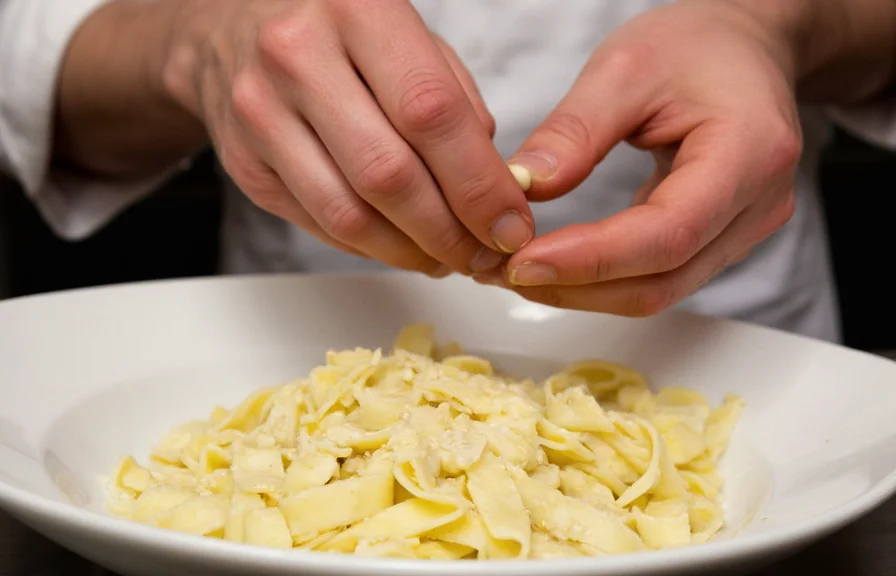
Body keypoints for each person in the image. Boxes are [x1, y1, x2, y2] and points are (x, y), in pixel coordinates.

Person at [1, 0, 894, 342]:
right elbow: (41, 72)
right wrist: (199, 43)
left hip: (747, 372)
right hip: (295, 380)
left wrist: (773, 24)